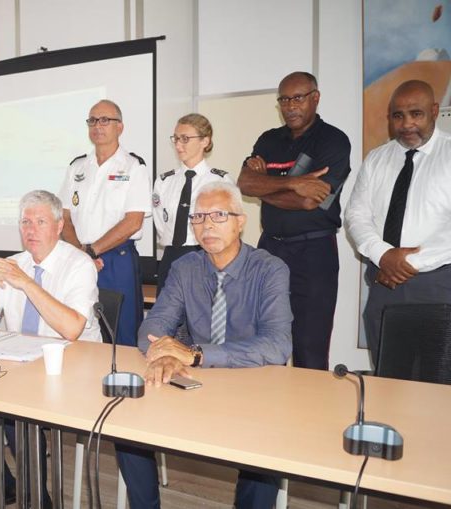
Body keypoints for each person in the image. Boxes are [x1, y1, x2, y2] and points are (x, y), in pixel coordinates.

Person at [116, 182, 292, 509]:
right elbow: (153, 326)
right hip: (192, 381)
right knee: (126, 426)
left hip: (252, 384)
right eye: (198, 217)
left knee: (264, 451)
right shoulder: (186, 268)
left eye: (218, 215)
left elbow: (277, 344)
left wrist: (195, 355)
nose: (206, 225)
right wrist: (165, 354)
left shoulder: (269, 269)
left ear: (241, 222)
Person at [0, 190, 99, 509]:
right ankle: (5, 483)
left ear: (59, 226)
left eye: (40, 222)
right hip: (18, 365)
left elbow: (72, 329)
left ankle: (38, 499)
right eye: (25, 222)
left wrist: (27, 283)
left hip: (71, 366)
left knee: (15, 414)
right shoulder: (14, 264)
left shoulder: (79, 265)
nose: (31, 229)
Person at [237, 71, 351, 371]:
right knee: (262, 340)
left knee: (309, 348)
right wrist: (294, 183)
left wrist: (266, 185)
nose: (290, 106)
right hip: (270, 248)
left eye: (298, 98)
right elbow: (245, 184)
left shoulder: (333, 141)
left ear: (315, 98)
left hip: (314, 253)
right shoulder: (268, 139)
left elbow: (311, 202)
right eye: (284, 100)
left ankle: (310, 403)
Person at [344, 80, 451, 361]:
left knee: (435, 376)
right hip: (384, 285)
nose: (406, 124)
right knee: (387, 374)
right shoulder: (376, 159)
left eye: (416, 114)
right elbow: (356, 214)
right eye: (398, 116)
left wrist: (403, 263)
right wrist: (383, 255)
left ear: (434, 111)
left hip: (437, 286)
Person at [59, 99, 151, 347]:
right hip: (78, 256)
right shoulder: (77, 166)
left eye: (104, 120)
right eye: (92, 120)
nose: (97, 126)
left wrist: (92, 251)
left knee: (121, 333)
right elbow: (65, 216)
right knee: (78, 327)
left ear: (120, 127)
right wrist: (81, 253)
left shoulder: (133, 166)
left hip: (115, 260)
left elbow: (133, 222)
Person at [153, 113, 231, 294]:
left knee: (203, 310)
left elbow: (226, 227)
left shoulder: (220, 181)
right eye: (176, 138)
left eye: (185, 139)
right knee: (166, 310)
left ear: (205, 141)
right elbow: (161, 224)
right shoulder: (164, 181)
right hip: (171, 256)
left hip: (205, 255)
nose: (178, 145)